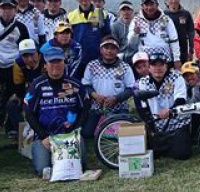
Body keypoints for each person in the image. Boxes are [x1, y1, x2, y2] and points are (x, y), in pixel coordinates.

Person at [24, 47, 88, 175]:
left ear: (64, 63)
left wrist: (75, 131)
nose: (55, 65)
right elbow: (29, 113)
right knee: (43, 170)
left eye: (59, 61)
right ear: (45, 65)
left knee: (81, 166)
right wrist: (43, 137)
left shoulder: (75, 85)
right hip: (45, 137)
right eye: (51, 62)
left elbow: (85, 109)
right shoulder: (37, 86)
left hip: (69, 136)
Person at [136, 52, 192, 160]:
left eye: (161, 64)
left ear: (166, 66)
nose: (158, 68)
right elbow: (143, 108)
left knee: (182, 154)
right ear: (149, 67)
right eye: (154, 65)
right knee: (152, 154)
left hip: (177, 122)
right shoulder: (142, 82)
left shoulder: (177, 77)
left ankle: (170, 143)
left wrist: (170, 111)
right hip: (156, 125)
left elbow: (181, 99)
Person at [81, 36, 135, 144]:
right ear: (101, 50)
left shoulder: (125, 67)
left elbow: (131, 88)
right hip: (97, 107)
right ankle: (105, 129)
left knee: (123, 135)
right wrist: (95, 95)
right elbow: (85, 85)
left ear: (117, 50)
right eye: (106, 48)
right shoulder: (92, 65)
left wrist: (116, 98)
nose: (109, 51)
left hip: (119, 108)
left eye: (113, 48)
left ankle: (107, 130)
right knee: (86, 133)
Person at [0, 0, 30, 125]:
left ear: (15, 10)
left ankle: (11, 125)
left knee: (13, 95)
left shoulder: (21, 27)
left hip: (13, 66)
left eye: (9, 8)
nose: (6, 11)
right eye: (3, 8)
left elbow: (24, 49)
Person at [67, 0, 112, 75]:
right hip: (77, 60)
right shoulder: (70, 16)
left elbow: (107, 36)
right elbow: (68, 39)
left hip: (97, 60)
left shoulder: (102, 14)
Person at [129, 0, 182, 70]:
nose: (149, 8)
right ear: (142, 6)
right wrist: (135, 34)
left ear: (157, 5)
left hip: (165, 60)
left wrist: (177, 59)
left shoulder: (166, 19)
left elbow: (174, 40)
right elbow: (131, 45)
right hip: (145, 62)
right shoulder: (136, 21)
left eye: (152, 4)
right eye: (146, 5)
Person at [8, 39, 43, 137]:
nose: (30, 59)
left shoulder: (46, 60)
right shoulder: (18, 64)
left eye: (32, 54)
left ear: (37, 52)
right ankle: (23, 134)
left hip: (46, 93)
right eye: (25, 56)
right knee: (12, 104)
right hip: (28, 92)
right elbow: (18, 86)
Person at [164, 0, 195, 64]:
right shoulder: (163, 15)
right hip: (167, 51)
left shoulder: (186, 14)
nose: (174, 1)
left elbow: (191, 32)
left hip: (183, 52)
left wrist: (191, 51)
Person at [111, 0, 137, 65]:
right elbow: (114, 44)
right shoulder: (114, 26)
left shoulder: (138, 24)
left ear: (132, 11)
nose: (126, 12)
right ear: (119, 12)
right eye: (123, 10)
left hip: (136, 55)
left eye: (128, 9)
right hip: (120, 55)